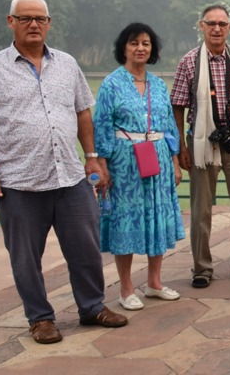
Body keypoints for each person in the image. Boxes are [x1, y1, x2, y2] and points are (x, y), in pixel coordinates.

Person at [0, 0, 128, 344]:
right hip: (19, 182)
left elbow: (83, 112)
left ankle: (92, 307)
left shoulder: (66, 64)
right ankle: (40, 319)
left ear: (49, 22)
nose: (33, 24)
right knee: (25, 258)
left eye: (40, 18)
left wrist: (92, 156)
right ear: (11, 21)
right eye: (25, 18)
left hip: (70, 177)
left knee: (85, 248)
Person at [171, 4, 230, 288]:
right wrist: (181, 148)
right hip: (202, 142)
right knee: (201, 209)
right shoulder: (189, 62)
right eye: (211, 23)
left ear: (229, 27)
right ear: (201, 26)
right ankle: (202, 268)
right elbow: (177, 107)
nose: (216, 29)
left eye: (222, 24)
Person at [94, 23, 184, 311]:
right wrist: (103, 165)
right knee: (125, 219)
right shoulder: (111, 84)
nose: (141, 48)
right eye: (134, 43)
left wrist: (175, 161)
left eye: (146, 43)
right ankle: (126, 288)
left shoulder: (158, 84)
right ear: (124, 47)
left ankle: (155, 283)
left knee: (156, 217)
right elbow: (102, 126)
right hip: (124, 161)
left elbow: (169, 126)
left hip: (157, 159)